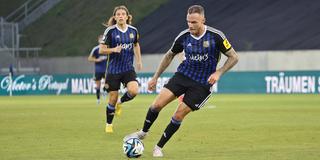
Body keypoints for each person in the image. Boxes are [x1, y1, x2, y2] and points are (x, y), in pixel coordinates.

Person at [124, 5, 239, 157]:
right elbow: (169, 55)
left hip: (202, 83)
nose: (190, 25)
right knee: (156, 104)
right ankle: (143, 132)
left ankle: (158, 147)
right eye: (188, 22)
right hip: (183, 75)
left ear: (203, 20)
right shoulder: (183, 36)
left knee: (178, 115)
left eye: (194, 22)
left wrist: (219, 72)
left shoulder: (216, 36)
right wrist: (155, 77)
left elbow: (234, 57)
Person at [99, 5, 142, 133]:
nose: (121, 16)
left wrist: (139, 60)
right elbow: (101, 50)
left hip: (128, 68)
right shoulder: (110, 31)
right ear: (115, 17)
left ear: (127, 16)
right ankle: (109, 124)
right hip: (113, 70)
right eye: (118, 14)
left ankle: (120, 102)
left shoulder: (133, 31)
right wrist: (113, 49)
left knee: (134, 91)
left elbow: (136, 45)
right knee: (112, 99)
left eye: (123, 14)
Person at [88, 35, 107, 104]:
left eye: (103, 39)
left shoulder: (107, 48)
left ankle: (105, 92)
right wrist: (97, 60)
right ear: (98, 41)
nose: (102, 41)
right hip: (98, 70)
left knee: (107, 83)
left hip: (106, 70)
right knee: (98, 85)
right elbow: (89, 58)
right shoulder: (95, 49)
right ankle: (98, 99)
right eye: (101, 39)